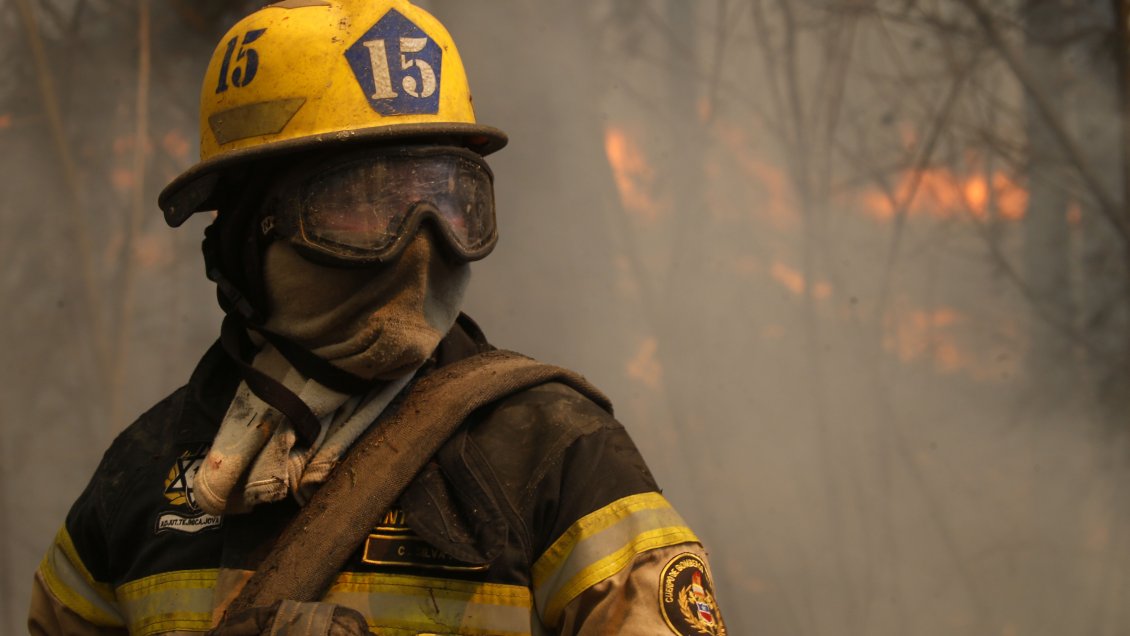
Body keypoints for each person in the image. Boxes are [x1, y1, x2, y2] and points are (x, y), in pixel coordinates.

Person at [29, 1, 726, 634]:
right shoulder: (140, 476)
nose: (419, 243)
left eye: (447, 203)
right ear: (244, 234)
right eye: (363, 206)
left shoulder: (557, 455)